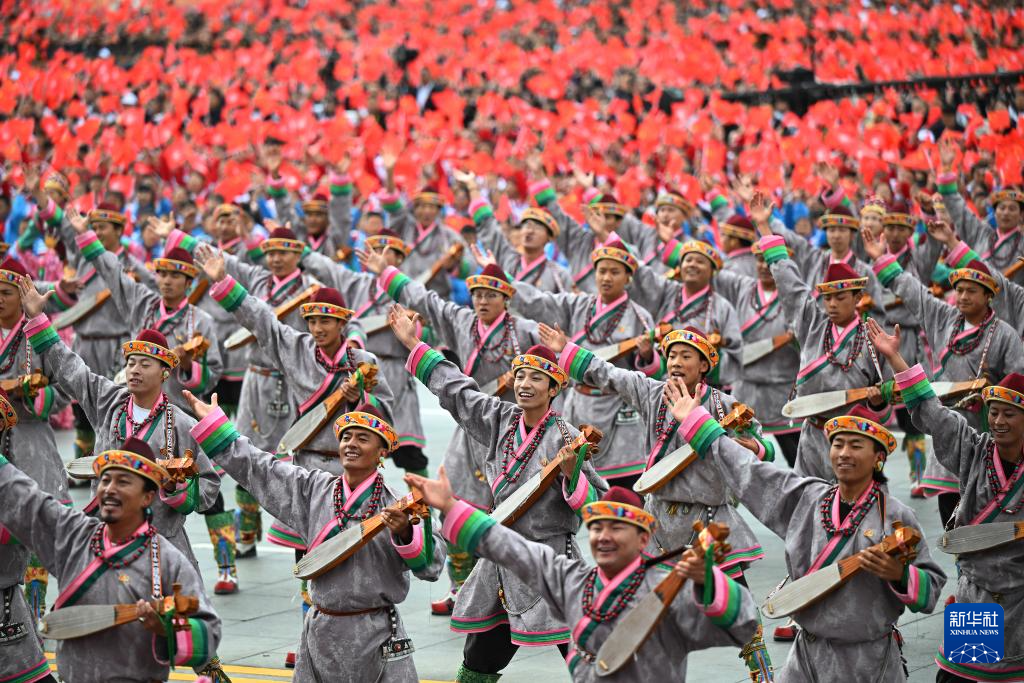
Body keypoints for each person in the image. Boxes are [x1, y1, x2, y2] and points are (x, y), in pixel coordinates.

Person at [663, 368, 946, 682]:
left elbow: (931, 588)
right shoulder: (807, 499)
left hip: (867, 662)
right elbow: (748, 470)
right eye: (838, 444)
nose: (844, 453)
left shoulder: (895, 517)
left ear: (878, 458)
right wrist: (696, 421)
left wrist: (900, 575)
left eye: (855, 445)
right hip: (806, 657)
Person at [540, 323, 775, 680]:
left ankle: (765, 675)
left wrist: (753, 446)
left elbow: (764, 446)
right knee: (639, 606)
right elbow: (609, 374)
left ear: (704, 364)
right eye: (671, 355)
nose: (676, 362)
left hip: (707, 521)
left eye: (686, 356)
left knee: (739, 607)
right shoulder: (652, 393)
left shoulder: (725, 406)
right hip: (658, 522)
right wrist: (566, 348)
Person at [388, 306, 607, 681]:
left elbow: (595, 507)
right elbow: (458, 391)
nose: (524, 384)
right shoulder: (500, 418)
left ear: (554, 388)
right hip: (502, 554)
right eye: (520, 375)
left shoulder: (568, 438)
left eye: (536, 378)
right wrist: (414, 344)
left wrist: (572, 476)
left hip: (550, 559)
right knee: (480, 658)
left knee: (586, 651)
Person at [183, 393, 444, 682]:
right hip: (321, 633)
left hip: (378, 633)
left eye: (362, 438)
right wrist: (217, 427)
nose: (351, 444)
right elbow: (260, 468)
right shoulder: (314, 489)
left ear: (382, 451)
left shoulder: (400, 506)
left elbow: (432, 567)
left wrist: (405, 532)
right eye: (346, 437)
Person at [407, 472, 760, 682]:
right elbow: (512, 548)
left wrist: (709, 582)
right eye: (597, 528)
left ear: (643, 540)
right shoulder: (574, 581)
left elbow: (741, 626)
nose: (603, 537)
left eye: (616, 528)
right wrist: (451, 507)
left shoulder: (672, 592)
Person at [363, 252, 541, 614]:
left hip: (509, 430)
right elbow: (426, 299)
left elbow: (553, 366)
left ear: (507, 298)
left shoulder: (525, 331)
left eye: (491, 295)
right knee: (454, 502)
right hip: (470, 425)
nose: (482, 301)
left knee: (509, 510)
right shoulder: (462, 321)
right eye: (477, 295)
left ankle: (511, 590)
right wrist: (386, 272)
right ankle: (460, 587)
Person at [18, 281, 220, 575]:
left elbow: (208, 487)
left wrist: (175, 487)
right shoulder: (108, 401)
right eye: (131, 363)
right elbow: (71, 369)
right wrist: (38, 318)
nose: (135, 370)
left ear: (165, 373)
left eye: (145, 365)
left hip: (163, 544)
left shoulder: (182, 423)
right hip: (107, 536)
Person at [870, 318, 1023, 683]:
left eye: (1009, 414)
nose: (998, 421)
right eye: (994, 412)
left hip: (1021, 600)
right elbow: (934, 413)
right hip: (976, 595)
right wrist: (895, 359)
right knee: (957, 678)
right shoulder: (975, 450)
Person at [0, 436, 221, 682]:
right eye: (105, 480)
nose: (109, 489)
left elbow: (208, 635)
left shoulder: (168, 560)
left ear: (148, 497)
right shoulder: (74, 535)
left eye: (123, 482)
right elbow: (26, 500)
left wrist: (164, 629)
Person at [863, 218, 1024, 526]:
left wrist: (990, 392)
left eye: (971, 291)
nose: (963, 297)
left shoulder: (1005, 334)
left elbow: (1018, 381)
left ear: (989, 296)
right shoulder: (943, 317)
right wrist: (881, 259)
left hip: (987, 433)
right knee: (950, 516)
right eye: (959, 290)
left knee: (985, 510)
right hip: (946, 424)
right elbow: (914, 292)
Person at [486, 238, 656, 487]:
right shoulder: (578, 305)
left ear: (628, 277)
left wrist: (647, 355)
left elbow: (652, 374)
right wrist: (504, 278)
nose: (606, 277)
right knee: (571, 478)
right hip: (578, 404)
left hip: (618, 409)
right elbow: (538, 301)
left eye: (615, 272)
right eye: (602, 271)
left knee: (623, 489)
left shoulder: (640, 317)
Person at [749, 192, 889, 483]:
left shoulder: (872, 339)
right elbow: (788, 280)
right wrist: (764, 227)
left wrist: (877, 403)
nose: (832, 304)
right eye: (828, 298)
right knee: (806, 502)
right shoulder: (811, 322)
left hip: (855, 440)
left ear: (858, 298)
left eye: (840, 297)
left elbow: (884, 406)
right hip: (812, 436)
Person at [300, 230, 429, 476]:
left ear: (399, 258)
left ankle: (423, 500)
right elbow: (328, 269)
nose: (378, 256)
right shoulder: (355, 283)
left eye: (386, 251)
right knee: (358, 445)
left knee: (410, 454)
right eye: (374, 250)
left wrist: (416, 326)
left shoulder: (410, 291)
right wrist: (302, 251)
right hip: (357, 368)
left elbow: (428, 335)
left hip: (396, 372)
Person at [0, 257, 73, 619]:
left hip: (31, 438)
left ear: (22, 295)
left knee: (35, 521)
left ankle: (34, 607)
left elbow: (65, 386)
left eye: (6, 292)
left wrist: (35, 396)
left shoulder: (39, 335)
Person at [714, 241, 801, 466]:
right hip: (745, 388)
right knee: (738, 454)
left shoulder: (796, 296)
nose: (764, 266)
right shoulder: (742, 286)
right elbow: (708, 272)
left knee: (797, 457)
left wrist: (795, 338)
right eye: (760, 260)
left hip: (783, 390)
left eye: (770, 261)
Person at [627, 240, 743, 387]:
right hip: (662, 386)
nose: (692, 265)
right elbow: (643, 276)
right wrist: (649, 355)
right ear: (680, 267)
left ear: (712, 271)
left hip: (702, 389)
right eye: (688, 260)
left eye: (700, 261)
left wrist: (702, 362)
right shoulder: (667, 290)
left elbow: (734, 357)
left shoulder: (723, 308)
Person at [462, 174, 573, 293]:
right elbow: (488, 228)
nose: (530, 231)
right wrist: (472, 187)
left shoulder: (559, 275)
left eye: (537, 227)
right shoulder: (509, 259)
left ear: (549, 238)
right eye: (526, 226)